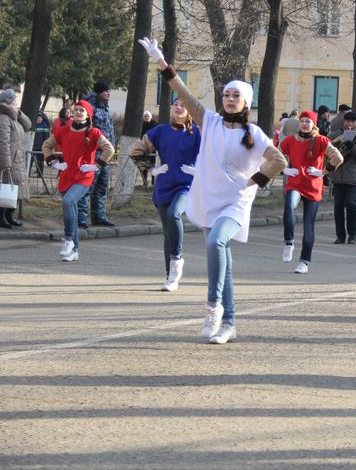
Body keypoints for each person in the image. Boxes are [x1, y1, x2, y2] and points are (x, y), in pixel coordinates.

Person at [139, 36, 287, 344]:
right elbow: (182, 92)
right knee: (223, 261)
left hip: (235, 202)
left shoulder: (254, 133)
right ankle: (230, 323)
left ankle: (213, 307)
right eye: (227, 94)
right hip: (209, 198)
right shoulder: (210, 121)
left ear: (246, 102)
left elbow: (279, 160)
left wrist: (255, 180)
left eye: (237, 95)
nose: (230, 99)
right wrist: (162, 64)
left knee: (217, 243)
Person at [129, 98, 201, 291]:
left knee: (174, 214)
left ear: (189, 112)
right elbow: (135, 151)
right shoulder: (160, 131)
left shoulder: (197, 134)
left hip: (185, 184)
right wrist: (152, 169)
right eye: (175, 104)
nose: (178, 107)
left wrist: (199, 171)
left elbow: (213, 155)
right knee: (168, 234)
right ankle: (170, 276)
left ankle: (177, 260)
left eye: (183, 106)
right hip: (164, 185)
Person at [41, 99, 115, 261]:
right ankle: (75, 250)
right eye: (76, 110)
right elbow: (46, 145)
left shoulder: (94, 132)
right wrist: (54, 162)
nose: (78, 112)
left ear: (88, 115)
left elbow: (109, 149)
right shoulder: (63, 130)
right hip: (66, 175)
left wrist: (96, 165)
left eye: (82, 110)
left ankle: (68, 239)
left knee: (68, 201)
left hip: (83, 176)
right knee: (71, 211)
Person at [279, 111, 344, 273]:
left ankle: (304, 262)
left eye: (308, 121)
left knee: (309, 226)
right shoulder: (290, 141)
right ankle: (289, 242)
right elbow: (275, 156)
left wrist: (322, 172)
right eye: (302, 121)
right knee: (289, 206)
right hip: (295, 183)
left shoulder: (321, 141)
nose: (304, 124)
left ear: (313, 124)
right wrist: (284, 170)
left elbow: (338, 158)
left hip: (313, 187)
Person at [76, 81, 116, 228]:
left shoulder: (105, 108)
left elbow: (110, 130)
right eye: (106, 91)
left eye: (109, 91)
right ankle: (80, 218)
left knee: (101, 187)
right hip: (92, 154)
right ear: (99, 92)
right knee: (87, 186)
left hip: (105, 154)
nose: (109, 93)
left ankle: (99, 217)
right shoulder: (88, 107)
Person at [328, 111, 356, 244]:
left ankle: (352, 234)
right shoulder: (335, 135)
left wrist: (353, 146)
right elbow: (326, 153)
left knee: (351, 204)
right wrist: (339, 148)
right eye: (348, 121)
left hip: (353, 176)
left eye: (353, 122)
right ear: (344, 122)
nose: (350, 124)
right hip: (337, 176)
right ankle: (340, 235)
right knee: (338, 207)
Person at [0, 89, 32, 228]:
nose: (16, 102)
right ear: (9, 101)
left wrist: (18, 113)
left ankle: (9, 215)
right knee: (5, 189)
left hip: (17, 159)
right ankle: (1, 218)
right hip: (9, 161)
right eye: (14, 100)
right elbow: (3, 142)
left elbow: (28, 125)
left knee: (14, 189)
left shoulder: (14, 117)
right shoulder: (3, 118)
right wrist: (6, 163)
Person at [31, 111, 51, 177]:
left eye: (40, 118)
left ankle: (40, 174)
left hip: (40, 147)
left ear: (42, 119)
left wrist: (44, 146)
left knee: (40, 161)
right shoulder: (33, 126)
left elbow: (46, 137)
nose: (39, 120)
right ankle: (27, 173)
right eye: (38, 118)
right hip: (33, 146)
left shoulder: (45, 127)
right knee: (30, 160)